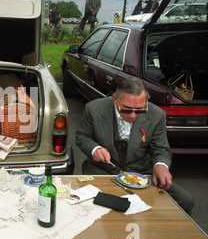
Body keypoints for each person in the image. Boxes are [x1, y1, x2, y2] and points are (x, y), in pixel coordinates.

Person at [75, 77, 194, 216]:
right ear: (115, 99)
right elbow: (82, 136)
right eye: (126, 109)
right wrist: (95, 149)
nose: (132, 115)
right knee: (106, 207)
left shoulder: (157, 115)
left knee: (185, 200)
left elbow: (161, 149)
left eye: (139, 110)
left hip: (141, 174)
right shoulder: (94, 108)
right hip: (103, 170)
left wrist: (161, 165)